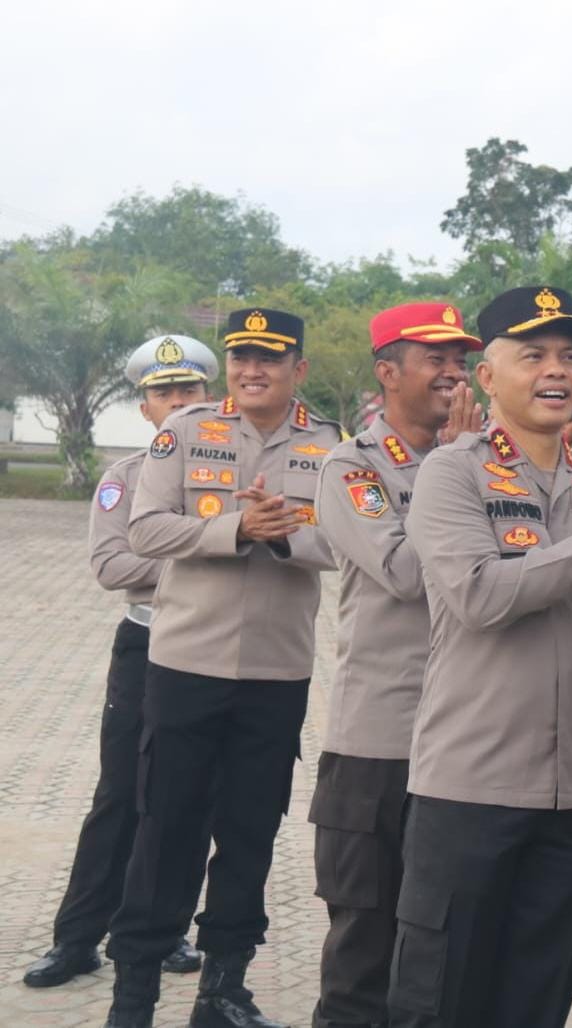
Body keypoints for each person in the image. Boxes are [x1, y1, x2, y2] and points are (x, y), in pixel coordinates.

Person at [390, 286, 572, 1027]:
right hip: (469, 791)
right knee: (443, 1003)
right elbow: (478, 597)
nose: (557, 371)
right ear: (487, 378)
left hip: (567, 799)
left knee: (537, 1002)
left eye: (570, 356)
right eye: (534, 355)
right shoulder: (451, 473)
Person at [106, 307, 344, 1028]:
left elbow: (344, 544)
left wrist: (282, 535)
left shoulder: (330, 446)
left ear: (297, 368)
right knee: (165, 828)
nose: (252, 370)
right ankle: (134, 995)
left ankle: (223, 990)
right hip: (185, 666)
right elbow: (145, 528)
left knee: (248, 834)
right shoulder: (185, 431)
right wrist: (235, 527)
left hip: (276, 674)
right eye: (242, 356)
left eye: (270, 358)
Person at [308, 302, 483, 1028]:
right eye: (435, 358)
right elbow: (412, 573)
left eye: (461, 359)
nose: (454, 373)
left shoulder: (483, 460)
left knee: (442, 946)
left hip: (461, 743)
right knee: (364, 949)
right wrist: (455, 470)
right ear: (387, 374)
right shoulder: (354, 465)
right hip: (378, 744)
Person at [22, 336, 216, 992]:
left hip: (212, 654)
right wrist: (210, 555)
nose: (179, 401)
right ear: (146, 408)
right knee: (119, 797)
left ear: (208, 397)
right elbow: (112, 567)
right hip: (147, 646)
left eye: (190, 390)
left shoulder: (231, 475)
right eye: (166, 393)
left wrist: (186, 551)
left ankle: (166, 934)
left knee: (189, 799)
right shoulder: (124, 480)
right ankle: (77, 938)